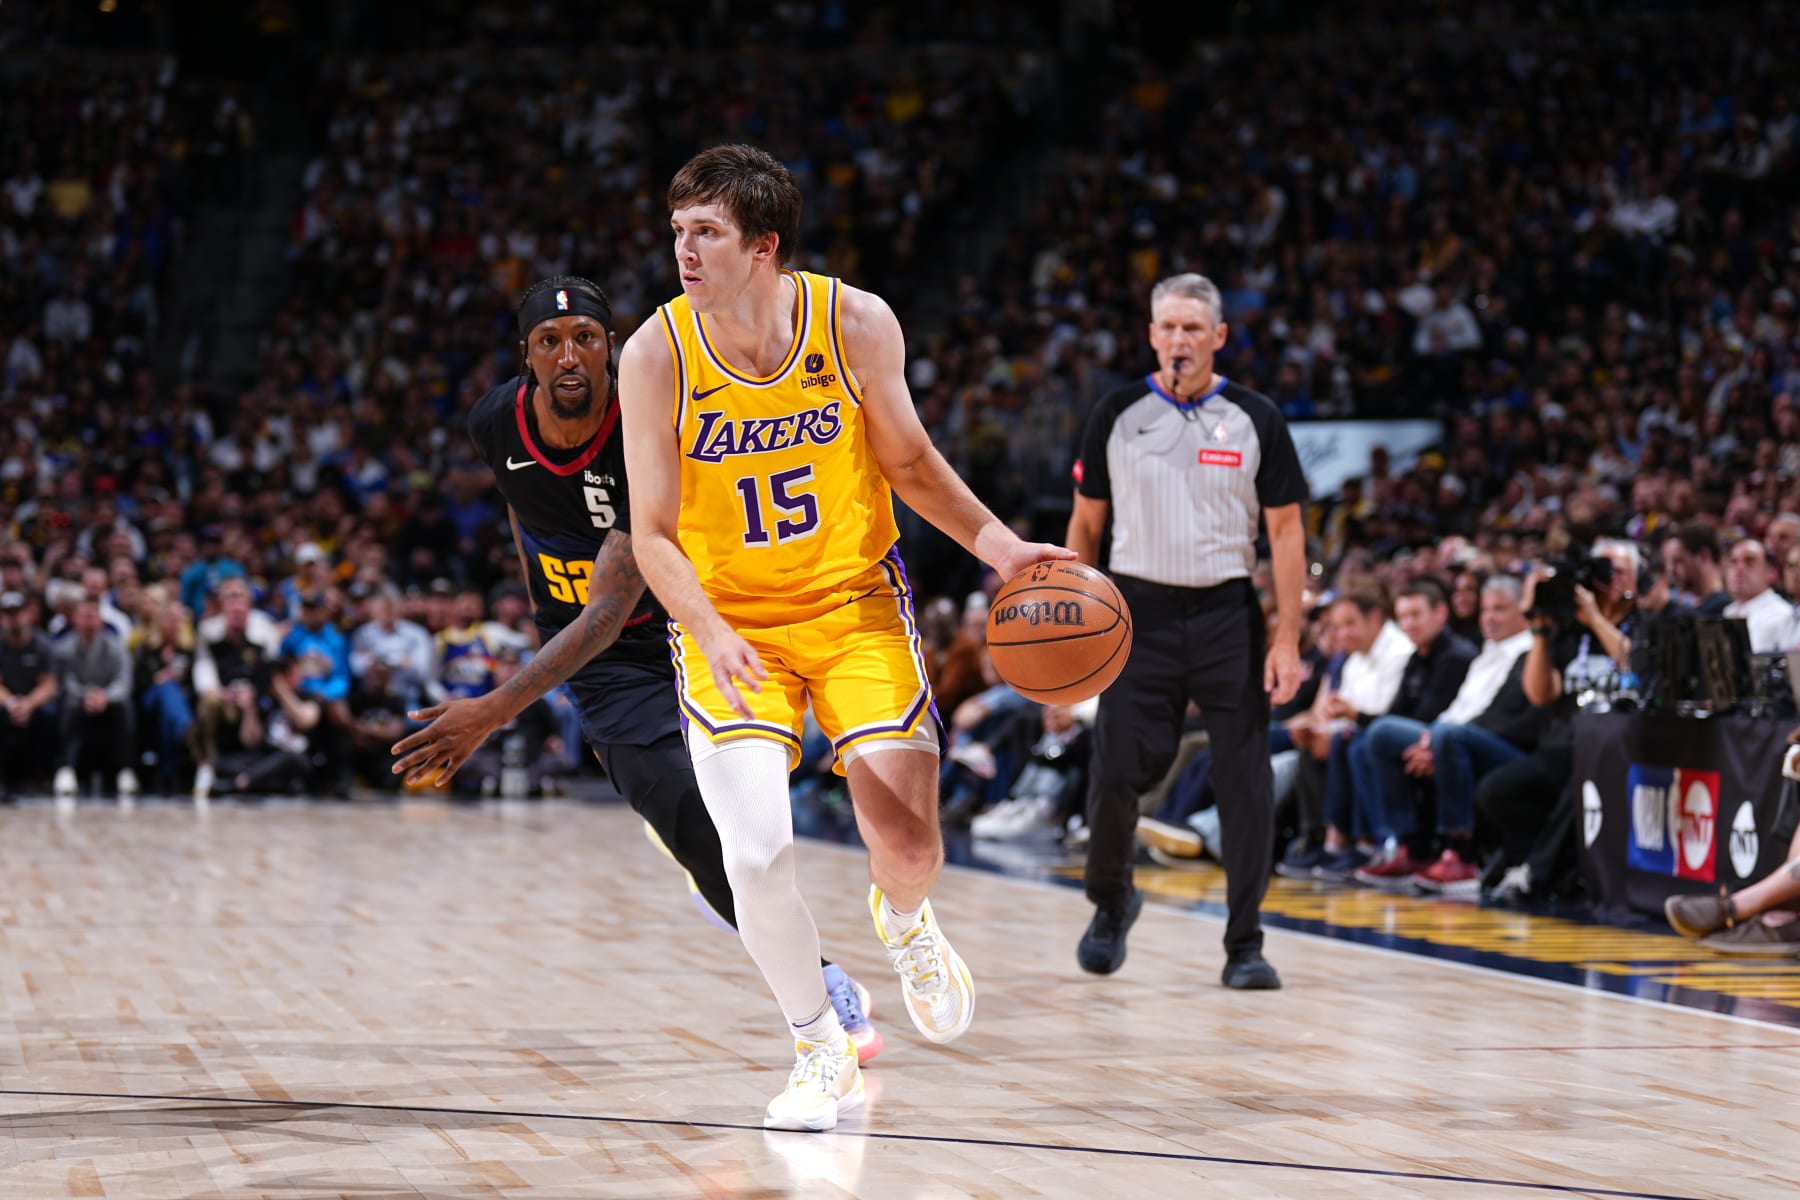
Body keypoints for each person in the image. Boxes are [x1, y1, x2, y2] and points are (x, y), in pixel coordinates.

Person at [616, 146, 1072, 1132]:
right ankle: (820, 1045)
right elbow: (650, 534)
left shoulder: (855, 323)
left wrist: (1001, 548)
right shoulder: (654, 354)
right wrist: (707, 629)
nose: (682, 250)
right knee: (753, 858)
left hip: (854, 605)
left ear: (764, 246)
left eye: (706, 233)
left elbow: (908, 461)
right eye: (678, 231)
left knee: (907, 844)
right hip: (728, 625)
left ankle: (904, 920)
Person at [389, 274, 888, 1088]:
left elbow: (608, 611)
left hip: (677, 623)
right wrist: (541, 592)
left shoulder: (644, 423)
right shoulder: (494, 421)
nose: (569, 355)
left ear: (611, 349)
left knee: (751, 829)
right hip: (607, 666)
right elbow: (525, 508)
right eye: (550, 342)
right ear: (526, 358)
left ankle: (733, 878)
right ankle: (825, 991)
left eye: (585, 337)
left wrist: (492, 710)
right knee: (698, 828)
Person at [1066, 271, 1308, 988]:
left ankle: (1245, 943)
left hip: (1228, 613)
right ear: (1152, 335)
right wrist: (1076, 618)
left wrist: (1287, 637)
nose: (1180, 339)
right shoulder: (1116, 413)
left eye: (1193, 328)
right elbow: (1085, 523)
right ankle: (1112, 900)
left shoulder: (1256, 417)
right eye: (1169, 327)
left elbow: (1287, 533)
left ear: (1218, 337)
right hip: (1136, 611)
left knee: (1245, 781)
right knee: (1116, 772)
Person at [52, 597, 137, 802]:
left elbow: (123, 682)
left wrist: (105, 696)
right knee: (69, 706)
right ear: (75, 619)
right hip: (79, 699)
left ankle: (125, 770)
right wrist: (87, 695)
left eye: (93, 616)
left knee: (125, 707)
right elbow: (66, 682)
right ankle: (66, 769)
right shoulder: (63, 648)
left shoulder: (116, 646)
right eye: (84, 616)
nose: (89, 621)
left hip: (108, 700)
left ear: (101, 620)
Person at [0, 591, 57, 791]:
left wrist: (28, 704)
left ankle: (42, 775)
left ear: (27, 614)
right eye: (8, 613)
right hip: (7, 701)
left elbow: (49, 684)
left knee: (49, 714)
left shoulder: (42, 643)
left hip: (34, 701)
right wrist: (11, 703)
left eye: (17, 612)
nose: (13, 618)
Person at [1722, 537, 1800, 652]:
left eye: (1749, 562)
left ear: (1771, 572)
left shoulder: (1781, 616)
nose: (1739, 569)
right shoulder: (1728, 611)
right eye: (1733, 562)